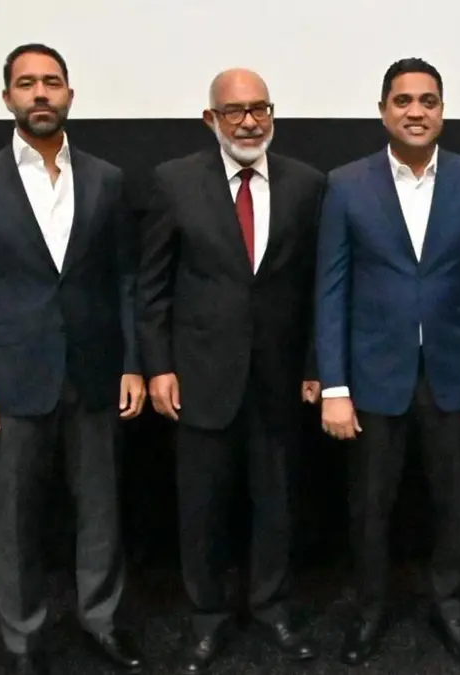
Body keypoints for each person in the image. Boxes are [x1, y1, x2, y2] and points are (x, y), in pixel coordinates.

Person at [0, 43, 147, 675]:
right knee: (15, 518)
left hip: (95, 372)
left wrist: (132, 363)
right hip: (9, 379)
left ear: (70, 95)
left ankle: (102, 620)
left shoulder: (107, 179)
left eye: (51, 83)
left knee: (101, 511)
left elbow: (125, 282)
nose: (40, 94)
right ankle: (23, 640)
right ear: (7, 98)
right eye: (26, 84)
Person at [314, 57, 460, 666]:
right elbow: (331, 289)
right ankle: (371, 610)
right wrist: (334, 387)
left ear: (442, 112)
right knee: (370, 507)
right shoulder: (346, 184)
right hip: (373, 379)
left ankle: (449, 607)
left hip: (457, 378)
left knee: (455, 504)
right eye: (403, 101)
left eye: (428, 101)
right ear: (383, 111)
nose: (416, 111)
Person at [136, 68, 325, 672]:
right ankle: (208, 619)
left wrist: (318, 364)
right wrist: (158, 365)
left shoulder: (306, 184)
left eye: (260, 108)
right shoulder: (175, 182)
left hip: (279, 376)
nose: (249, 121)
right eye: (235, 110)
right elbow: (152, 287)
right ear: (210, 119)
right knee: (202, 507)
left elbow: (322, 285)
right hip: (199, 377)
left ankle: (271, 608)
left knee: (277, 502)